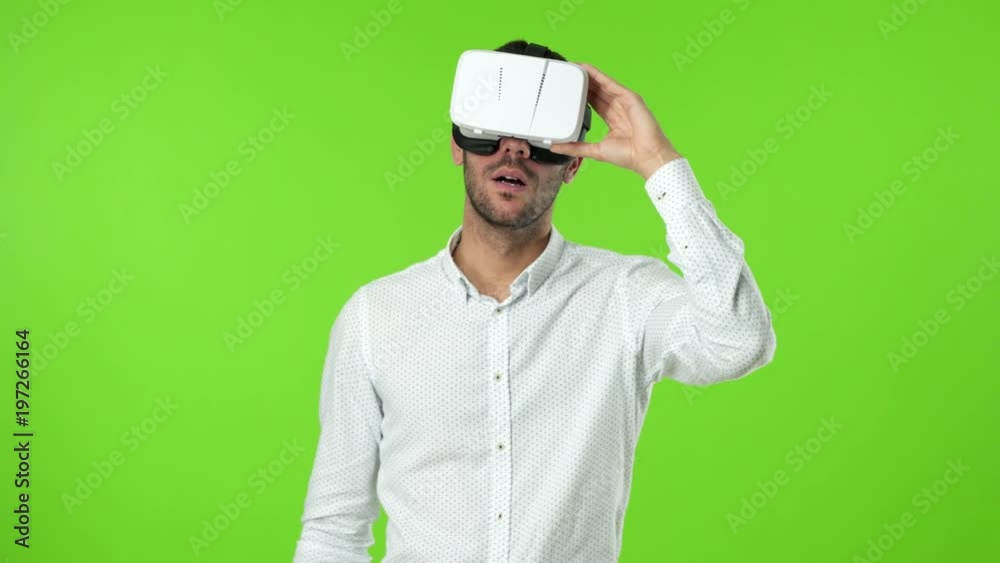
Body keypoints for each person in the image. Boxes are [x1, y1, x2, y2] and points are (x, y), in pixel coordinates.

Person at [293, 39, 776, 562]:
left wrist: (659, 163)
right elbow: (333, 532)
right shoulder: (375, 317)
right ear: (458, 143)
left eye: (539, 138)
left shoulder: (625, 296)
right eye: (493, 131)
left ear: (573, 164)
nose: (515, 151)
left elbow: (740, 341)